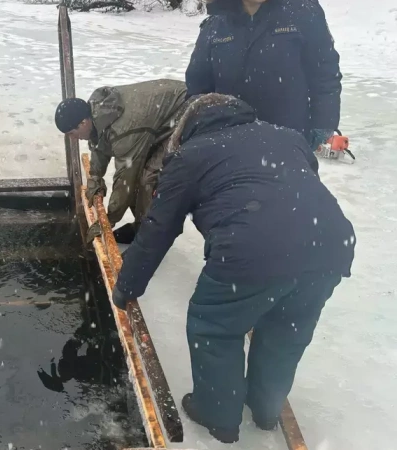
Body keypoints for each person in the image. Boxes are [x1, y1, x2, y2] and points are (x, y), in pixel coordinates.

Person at [111, 94, 356, 443]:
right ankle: (265, 408)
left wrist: (127, 286)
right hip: (330, 246)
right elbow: (301, 187)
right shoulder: (286, 136)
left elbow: (157, 229)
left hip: (252, 249)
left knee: (215, 326)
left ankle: (218, 415)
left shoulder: (190, 156)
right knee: (286, 330)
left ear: (190, 127)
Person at [186, 0, 342, 155]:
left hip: (290, 144)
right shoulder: (216, 23)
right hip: (228, 146)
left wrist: (323, 124)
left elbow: (325, 75)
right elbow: (198, 87)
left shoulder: (303, 12)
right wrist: (201, 132)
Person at [54, 79, 189, 244]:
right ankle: (142, 225)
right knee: (139, 175)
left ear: (83, 122)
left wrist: (109, 219)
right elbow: (99, 142)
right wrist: (96, 176)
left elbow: (126, 179)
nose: (72, 138)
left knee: (147, 178)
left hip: (188, 113)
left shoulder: (124, 131)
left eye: (71, 133)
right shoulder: (99, 112)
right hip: (159, 115)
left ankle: (148, 237)